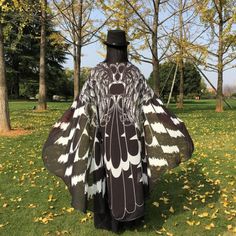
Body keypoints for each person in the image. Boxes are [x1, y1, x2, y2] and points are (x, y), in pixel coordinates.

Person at [42, 29, 194, 234]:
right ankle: (129, 220)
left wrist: (68, 120)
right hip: (130, 136)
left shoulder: (97, 73)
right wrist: (171, 122)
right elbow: (150, 103)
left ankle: (110, 221)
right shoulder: (134, 73)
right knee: (128, 174)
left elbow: (82, 104)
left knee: (107, 174)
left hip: (104, 136)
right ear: (124, 49)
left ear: (108, 48)